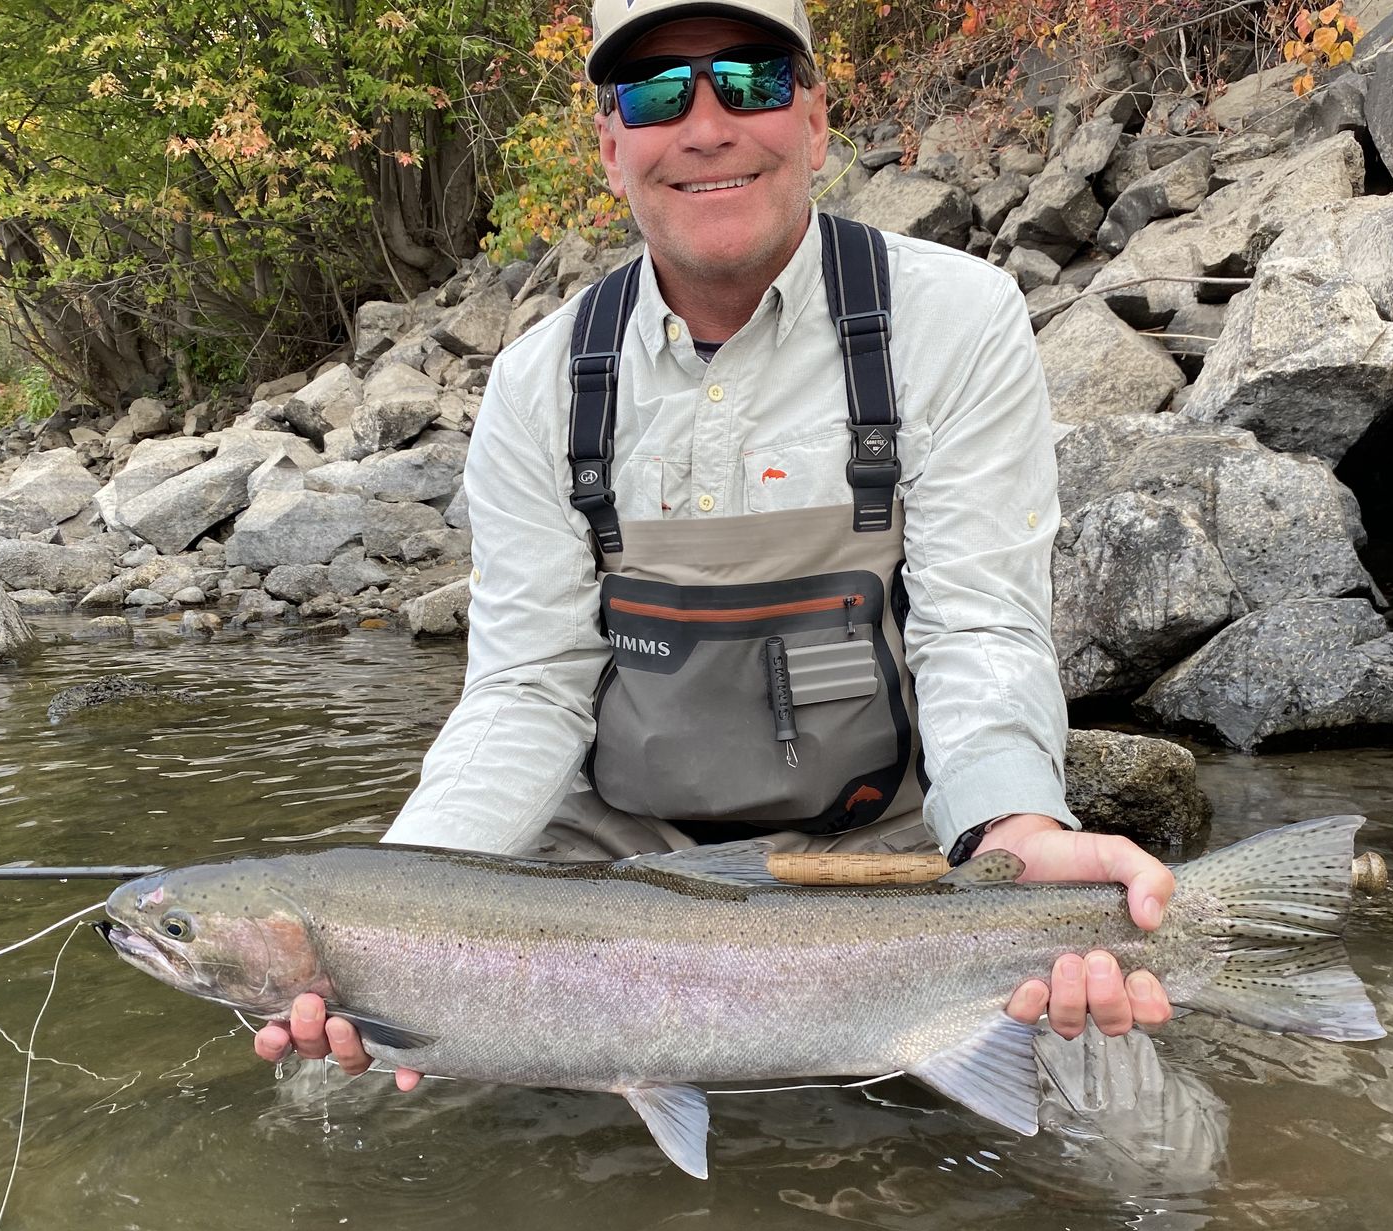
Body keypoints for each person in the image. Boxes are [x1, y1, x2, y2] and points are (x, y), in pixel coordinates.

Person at [255, 0, 1176, 1089]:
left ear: (816, 123)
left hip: (891, 859)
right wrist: (390, 910)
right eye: (654, 93)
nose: (704, 126)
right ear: (610, 148)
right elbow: (527, 691)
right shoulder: (539, 382)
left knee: (1143, 1153)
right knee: (330, 1092)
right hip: (608, 876)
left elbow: (977, 631)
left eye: (749, 82)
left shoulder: (955, 321)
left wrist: (1015, 837)